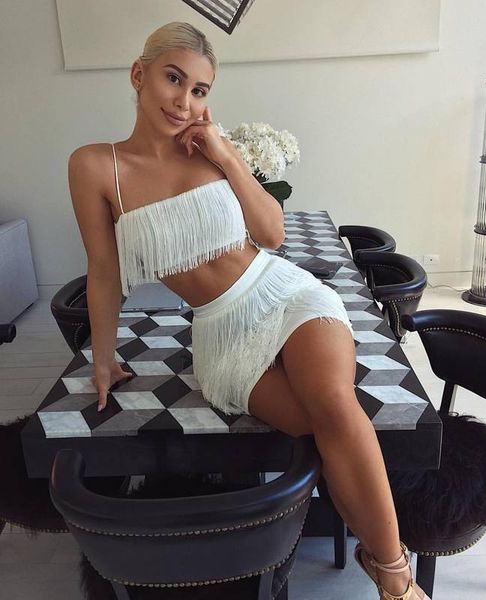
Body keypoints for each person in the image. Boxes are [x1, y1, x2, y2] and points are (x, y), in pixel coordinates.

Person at [67, 22, 429, 600]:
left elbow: (272, 233)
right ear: (139, 75)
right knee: (317, 423)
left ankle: (395, 577)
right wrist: (104, 358)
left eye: (200, 90)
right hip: (220, 330)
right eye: (173, 79)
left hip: (283, 293)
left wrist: (226, 154)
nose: (184, 101)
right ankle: (371, 546)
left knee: (335, 406)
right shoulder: (95, 166)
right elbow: (104, 270)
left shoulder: (208, 151)